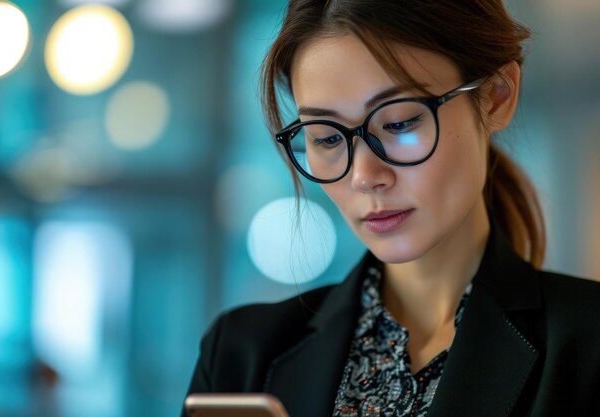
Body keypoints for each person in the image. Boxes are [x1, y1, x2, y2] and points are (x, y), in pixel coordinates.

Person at [183, 1, 600, 416]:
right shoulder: (241, 354)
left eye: (399, 123)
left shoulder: (586, 343)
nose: (364, 175)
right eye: (327, 138)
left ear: (496, 97)